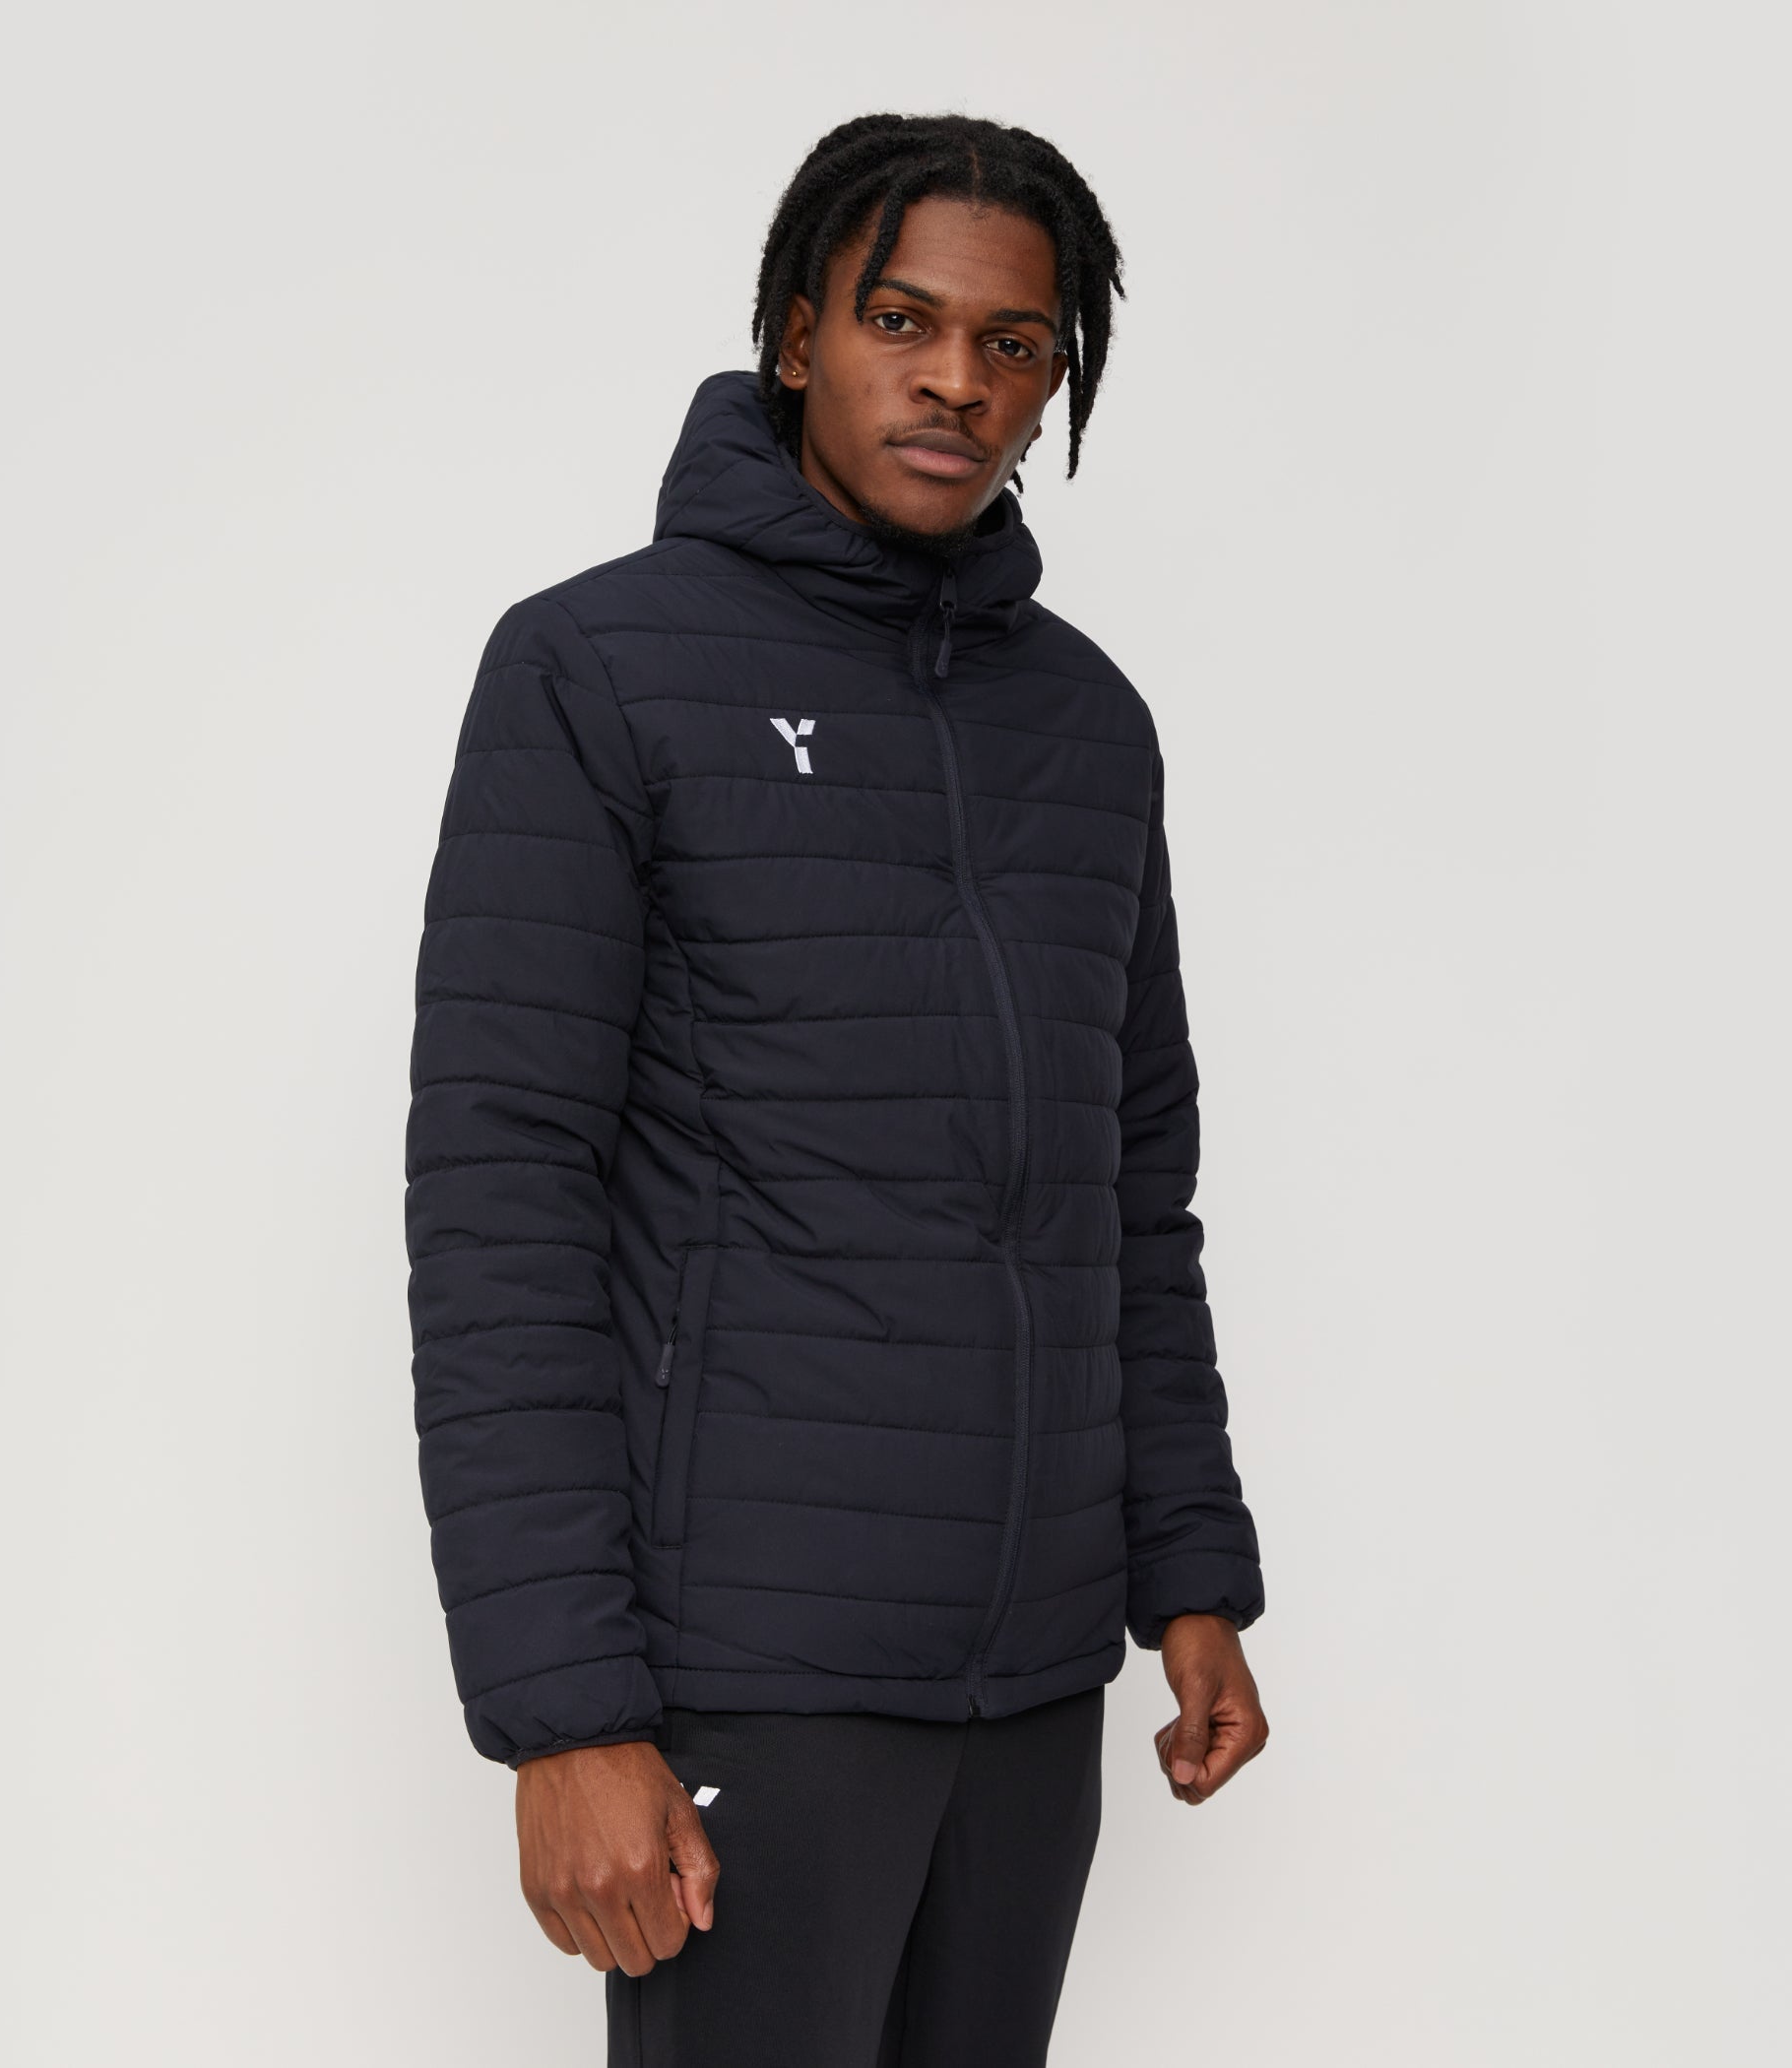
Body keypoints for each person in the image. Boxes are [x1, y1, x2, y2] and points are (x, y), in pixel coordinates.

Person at [405, 110, 1269, 2067]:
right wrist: (566, 1715)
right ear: (799, 335)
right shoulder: (598, 671)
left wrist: (1187, 1572)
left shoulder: (1089, 725)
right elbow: (500, 1200)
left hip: (1033, 1680)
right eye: (903, 320)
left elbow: (1131, 1191)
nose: (957, 379)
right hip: (748, 1673)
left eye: (1014, 344)